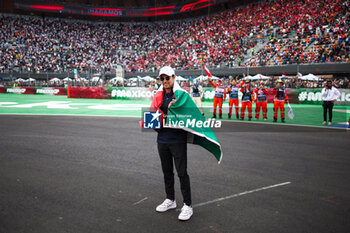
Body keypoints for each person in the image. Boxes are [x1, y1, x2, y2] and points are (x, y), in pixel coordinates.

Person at [153, 66, 193, 221]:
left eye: (167, 78)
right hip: (162, 139)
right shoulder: (158, 95)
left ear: (174, 78)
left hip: (177, 140)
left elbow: (192, 116)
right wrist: (148, 121)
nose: (164, 81)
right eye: (162, 79)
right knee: (167, 172)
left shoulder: (182, 95)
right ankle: (170, 199)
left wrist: (176, 110)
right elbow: (155, 114)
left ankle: (188, 205)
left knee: (182, 172)